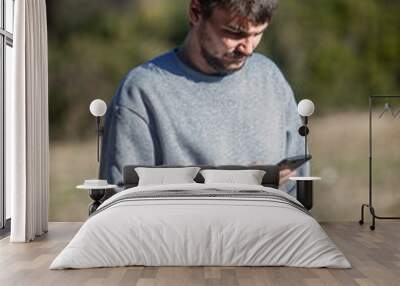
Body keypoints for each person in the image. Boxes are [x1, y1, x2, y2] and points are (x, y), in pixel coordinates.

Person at [99, 0, 309, 196]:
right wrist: (232, 188)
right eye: (234, 33)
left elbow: (297, 188)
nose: (247, 49)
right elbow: (121, 204)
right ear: (196, 12)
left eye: (257, 33)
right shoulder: (142, 92)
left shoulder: (270, 77)